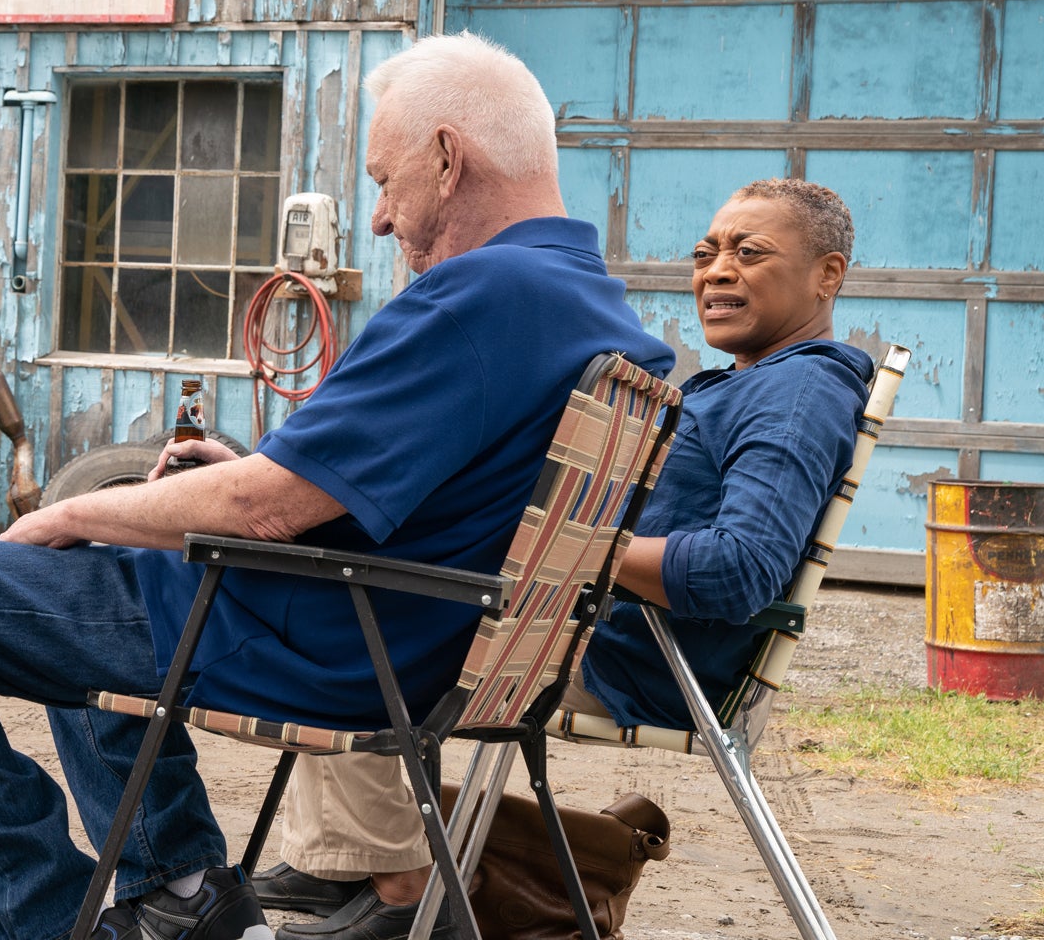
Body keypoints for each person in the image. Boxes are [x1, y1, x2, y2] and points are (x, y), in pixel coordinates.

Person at [0, 33, 675, 940]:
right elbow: (376, 490)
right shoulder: (597, 310)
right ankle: (178, 897)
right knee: (108, 559)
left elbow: (264, 508)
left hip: (313, 639)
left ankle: (49, 914)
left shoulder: (481, 295)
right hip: (413, 643)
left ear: (448, 160)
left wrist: (73, 508)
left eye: (385, 181)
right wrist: (237, 481)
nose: (378, 218)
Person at [256, 179, 871, 940]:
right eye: (706, 253)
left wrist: (570, 547)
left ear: (828, 275)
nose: (717, 271)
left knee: (355, 617)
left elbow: (737, 570)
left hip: (635, 660)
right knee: (366, 573)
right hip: (598, 629)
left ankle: (405, 890)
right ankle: (346, 860)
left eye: (750, 254)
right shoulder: (745, 382)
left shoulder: (798, 389)